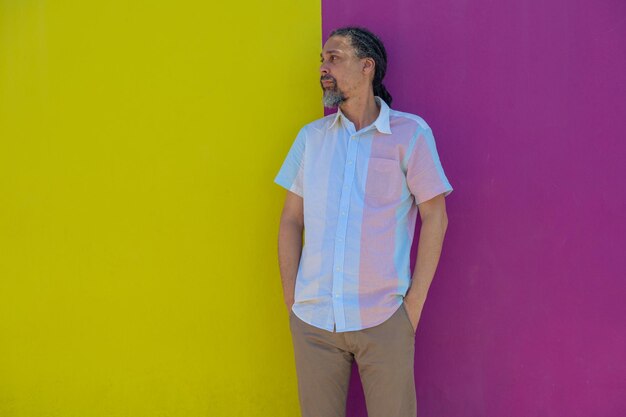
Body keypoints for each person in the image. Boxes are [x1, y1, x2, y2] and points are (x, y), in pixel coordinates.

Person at [274, 26, 453, 417]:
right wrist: (293, 299)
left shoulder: (410, 134)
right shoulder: (312, 138)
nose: (324, 68)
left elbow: (435, 215)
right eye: (322, 60)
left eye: (334, 58)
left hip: (384, 319)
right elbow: (290, 220)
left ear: (367, 66)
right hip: (314, 320)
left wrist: (413, 306)